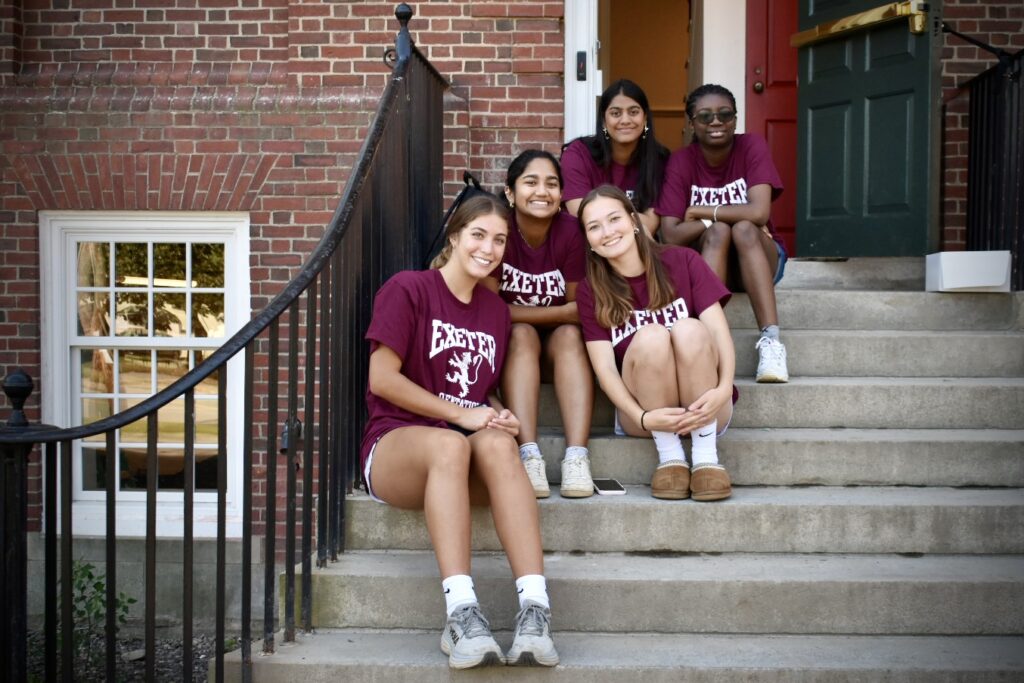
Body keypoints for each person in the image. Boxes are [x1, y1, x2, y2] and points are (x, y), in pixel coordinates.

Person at [360, 194, 559, 669]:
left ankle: (535, 610)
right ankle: (460, 613)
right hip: (397, 446)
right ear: (454, 237)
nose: (488, 248)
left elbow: (476, 389)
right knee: (451, 442)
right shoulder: (408, 289)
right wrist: (460, 414)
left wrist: (496, 414)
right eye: (478, 235)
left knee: (497, 442)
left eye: (499, 239)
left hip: (461, 447)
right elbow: (382, 379)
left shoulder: (495, 311)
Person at [576, 185, 736, 502]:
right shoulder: (590, 290)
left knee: (689, 328)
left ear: (634, 221)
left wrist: (724, 388)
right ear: (589, 242)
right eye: (594, 227)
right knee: (651, 335)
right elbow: (605, 370)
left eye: (613, 219)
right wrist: (643, 417)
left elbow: (719, 334)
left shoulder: (684, 261)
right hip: (645, 416)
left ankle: (706, 459)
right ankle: (670, 459)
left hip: (708, 404)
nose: (607, 232)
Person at [657, 83, 789, 383]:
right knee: (719, 232)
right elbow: (670, 234)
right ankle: (704, 340)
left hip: (757, 260)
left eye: (724, 114)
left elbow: (758, 214)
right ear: (691, 123)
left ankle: (771, 342)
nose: (716, 122)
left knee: (743, 229)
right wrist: (715, 222)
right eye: (704, 117)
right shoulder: (681, 161)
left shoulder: (752, 146)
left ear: (735, 118)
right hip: (712, 262)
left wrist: (700, 212)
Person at [485, 149, 595, 499]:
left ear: (562, 195)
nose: (542, 191)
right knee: (521, 333)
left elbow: (578, 311)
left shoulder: (571, 232)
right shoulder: (497, 230)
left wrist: (518, 310)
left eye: (551, 184)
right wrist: (560, 312)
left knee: (568, 336)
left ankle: (577, 457)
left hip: (562, 355)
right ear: (510, 191)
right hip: (512, 353)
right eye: (530, 182)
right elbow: (488, 309)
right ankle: (529, 454)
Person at [561, 79, 670, 235]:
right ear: (604, 121)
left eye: (633, 112)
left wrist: (604, 214)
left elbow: (650, 224)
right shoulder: (578, 154)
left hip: (638, 242)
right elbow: (582, 215)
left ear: (645, 118)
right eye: (615, 113)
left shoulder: (659, 159)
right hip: (586, 244)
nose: (625, 120)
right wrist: (632, 218)